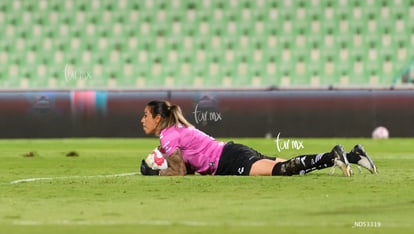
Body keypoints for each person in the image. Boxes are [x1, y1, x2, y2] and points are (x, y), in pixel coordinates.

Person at [140, 100, 377, 176]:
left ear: (159, 118)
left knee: (283, 170)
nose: (143, 120)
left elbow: (179, 171)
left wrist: (153, 172)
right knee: (285, 166)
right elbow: (189, 166)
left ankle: (334, 154)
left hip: (229, 161)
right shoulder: (180, 129)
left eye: (146, 115)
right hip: (232, 151)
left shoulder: (169, 136)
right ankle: (352, 156)